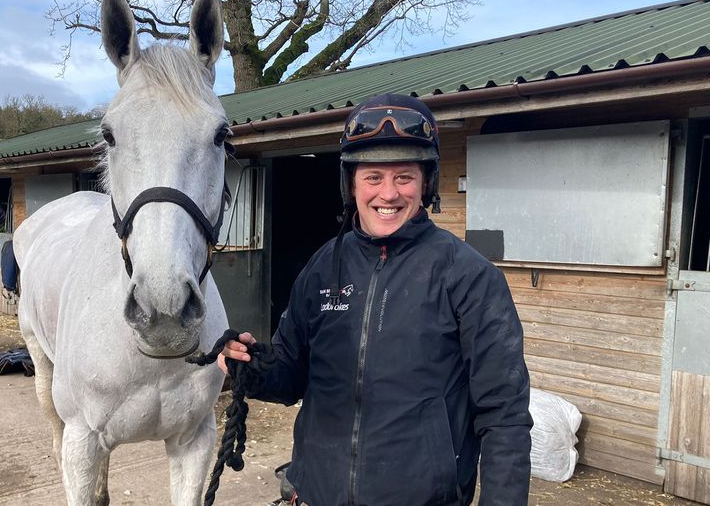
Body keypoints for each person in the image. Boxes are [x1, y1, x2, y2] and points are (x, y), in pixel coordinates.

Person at [218, 93, 532, 505]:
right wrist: (252, 368)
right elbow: (292, 374)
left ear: (426, 183)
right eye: (373, 177)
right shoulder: (324, 265)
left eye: (404, 177)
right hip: (316, 493)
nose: (388, 193)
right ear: (351, 184)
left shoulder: (468, 275)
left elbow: (505, 415)